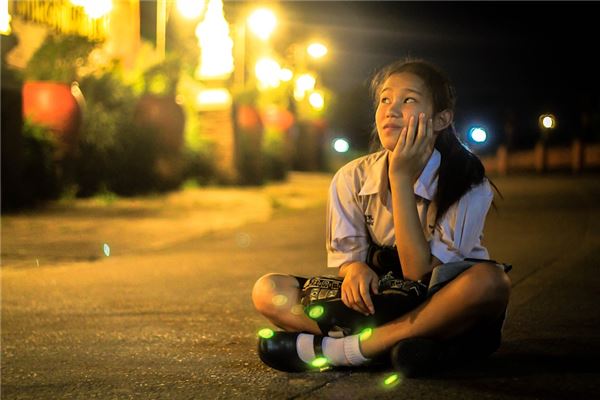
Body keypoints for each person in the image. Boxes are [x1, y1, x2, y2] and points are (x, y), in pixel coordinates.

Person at [251, 58, 512, 377]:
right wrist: (354, 268)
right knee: (269, 290)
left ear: (441, 119)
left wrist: (400, 179)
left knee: (491, 282)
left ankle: (346, 349)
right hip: (380, 301)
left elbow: (419, 274)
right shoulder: (352, 177)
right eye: (385, 99)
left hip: (438, 302)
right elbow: (348, 258)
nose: (391, 110)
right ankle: (406, 346)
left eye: (409, 100)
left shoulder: (467, 182)